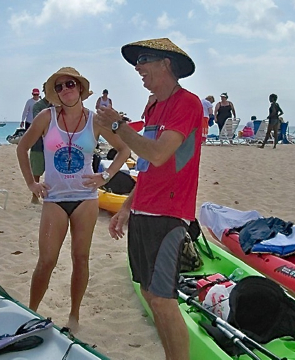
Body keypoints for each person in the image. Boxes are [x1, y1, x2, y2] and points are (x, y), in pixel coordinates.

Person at [95, 37, 203, 360]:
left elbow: (158, 153)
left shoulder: (188, 103)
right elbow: (147, 167)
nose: (138, 68)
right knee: (148, 291)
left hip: (169, 213)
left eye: (144, 60)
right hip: (143, 210)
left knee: (162, 298)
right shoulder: (153, 106)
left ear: (165, 64)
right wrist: (127, 207)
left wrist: (117, 124)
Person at [16, 67, 130, 333]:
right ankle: (30, 312)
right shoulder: (47, 117)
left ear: (80, 88)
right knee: (46, 260)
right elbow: (22, 147)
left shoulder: (96, 121)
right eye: (59, 87)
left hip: (85, 198)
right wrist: (31, 183)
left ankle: (74, 315)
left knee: (80, 257)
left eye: (69, 84)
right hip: (54, 198)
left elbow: (125, 149)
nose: (65, 90)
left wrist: (106, 175)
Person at [27, 83, 51, 204]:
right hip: (39, 142)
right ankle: (35, 196)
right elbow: (38, 122)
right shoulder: (38, 106)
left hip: (53, 144)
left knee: (52, 172)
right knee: (36, 170)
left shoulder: (59, 106)